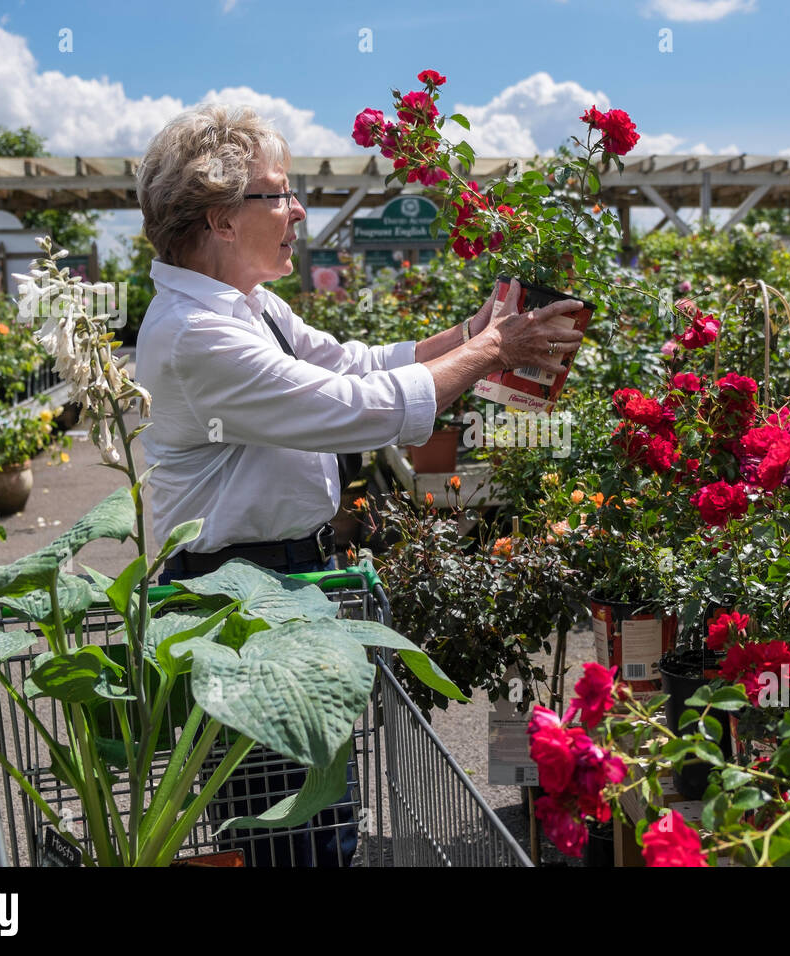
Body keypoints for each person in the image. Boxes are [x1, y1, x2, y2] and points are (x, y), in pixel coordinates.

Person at [133, 103, 583, 865]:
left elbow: (351, 364)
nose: (297, 209)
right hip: (235, 599)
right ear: (219, 219)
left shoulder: (244, 305)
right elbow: (353, 408)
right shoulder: (195, 334)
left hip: (279, 583)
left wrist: (475, 334)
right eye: (277, 193)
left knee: (317, 809)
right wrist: (491, 353)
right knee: (283, 822)